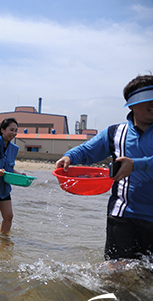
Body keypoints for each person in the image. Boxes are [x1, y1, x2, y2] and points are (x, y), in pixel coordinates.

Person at [56, 74, 153, 261]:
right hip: (122, 214)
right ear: (131, 104)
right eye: (147, 99)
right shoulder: (115, 133)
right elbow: (87, 150)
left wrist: (136, 165)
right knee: (115, 272)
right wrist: (69, 156)